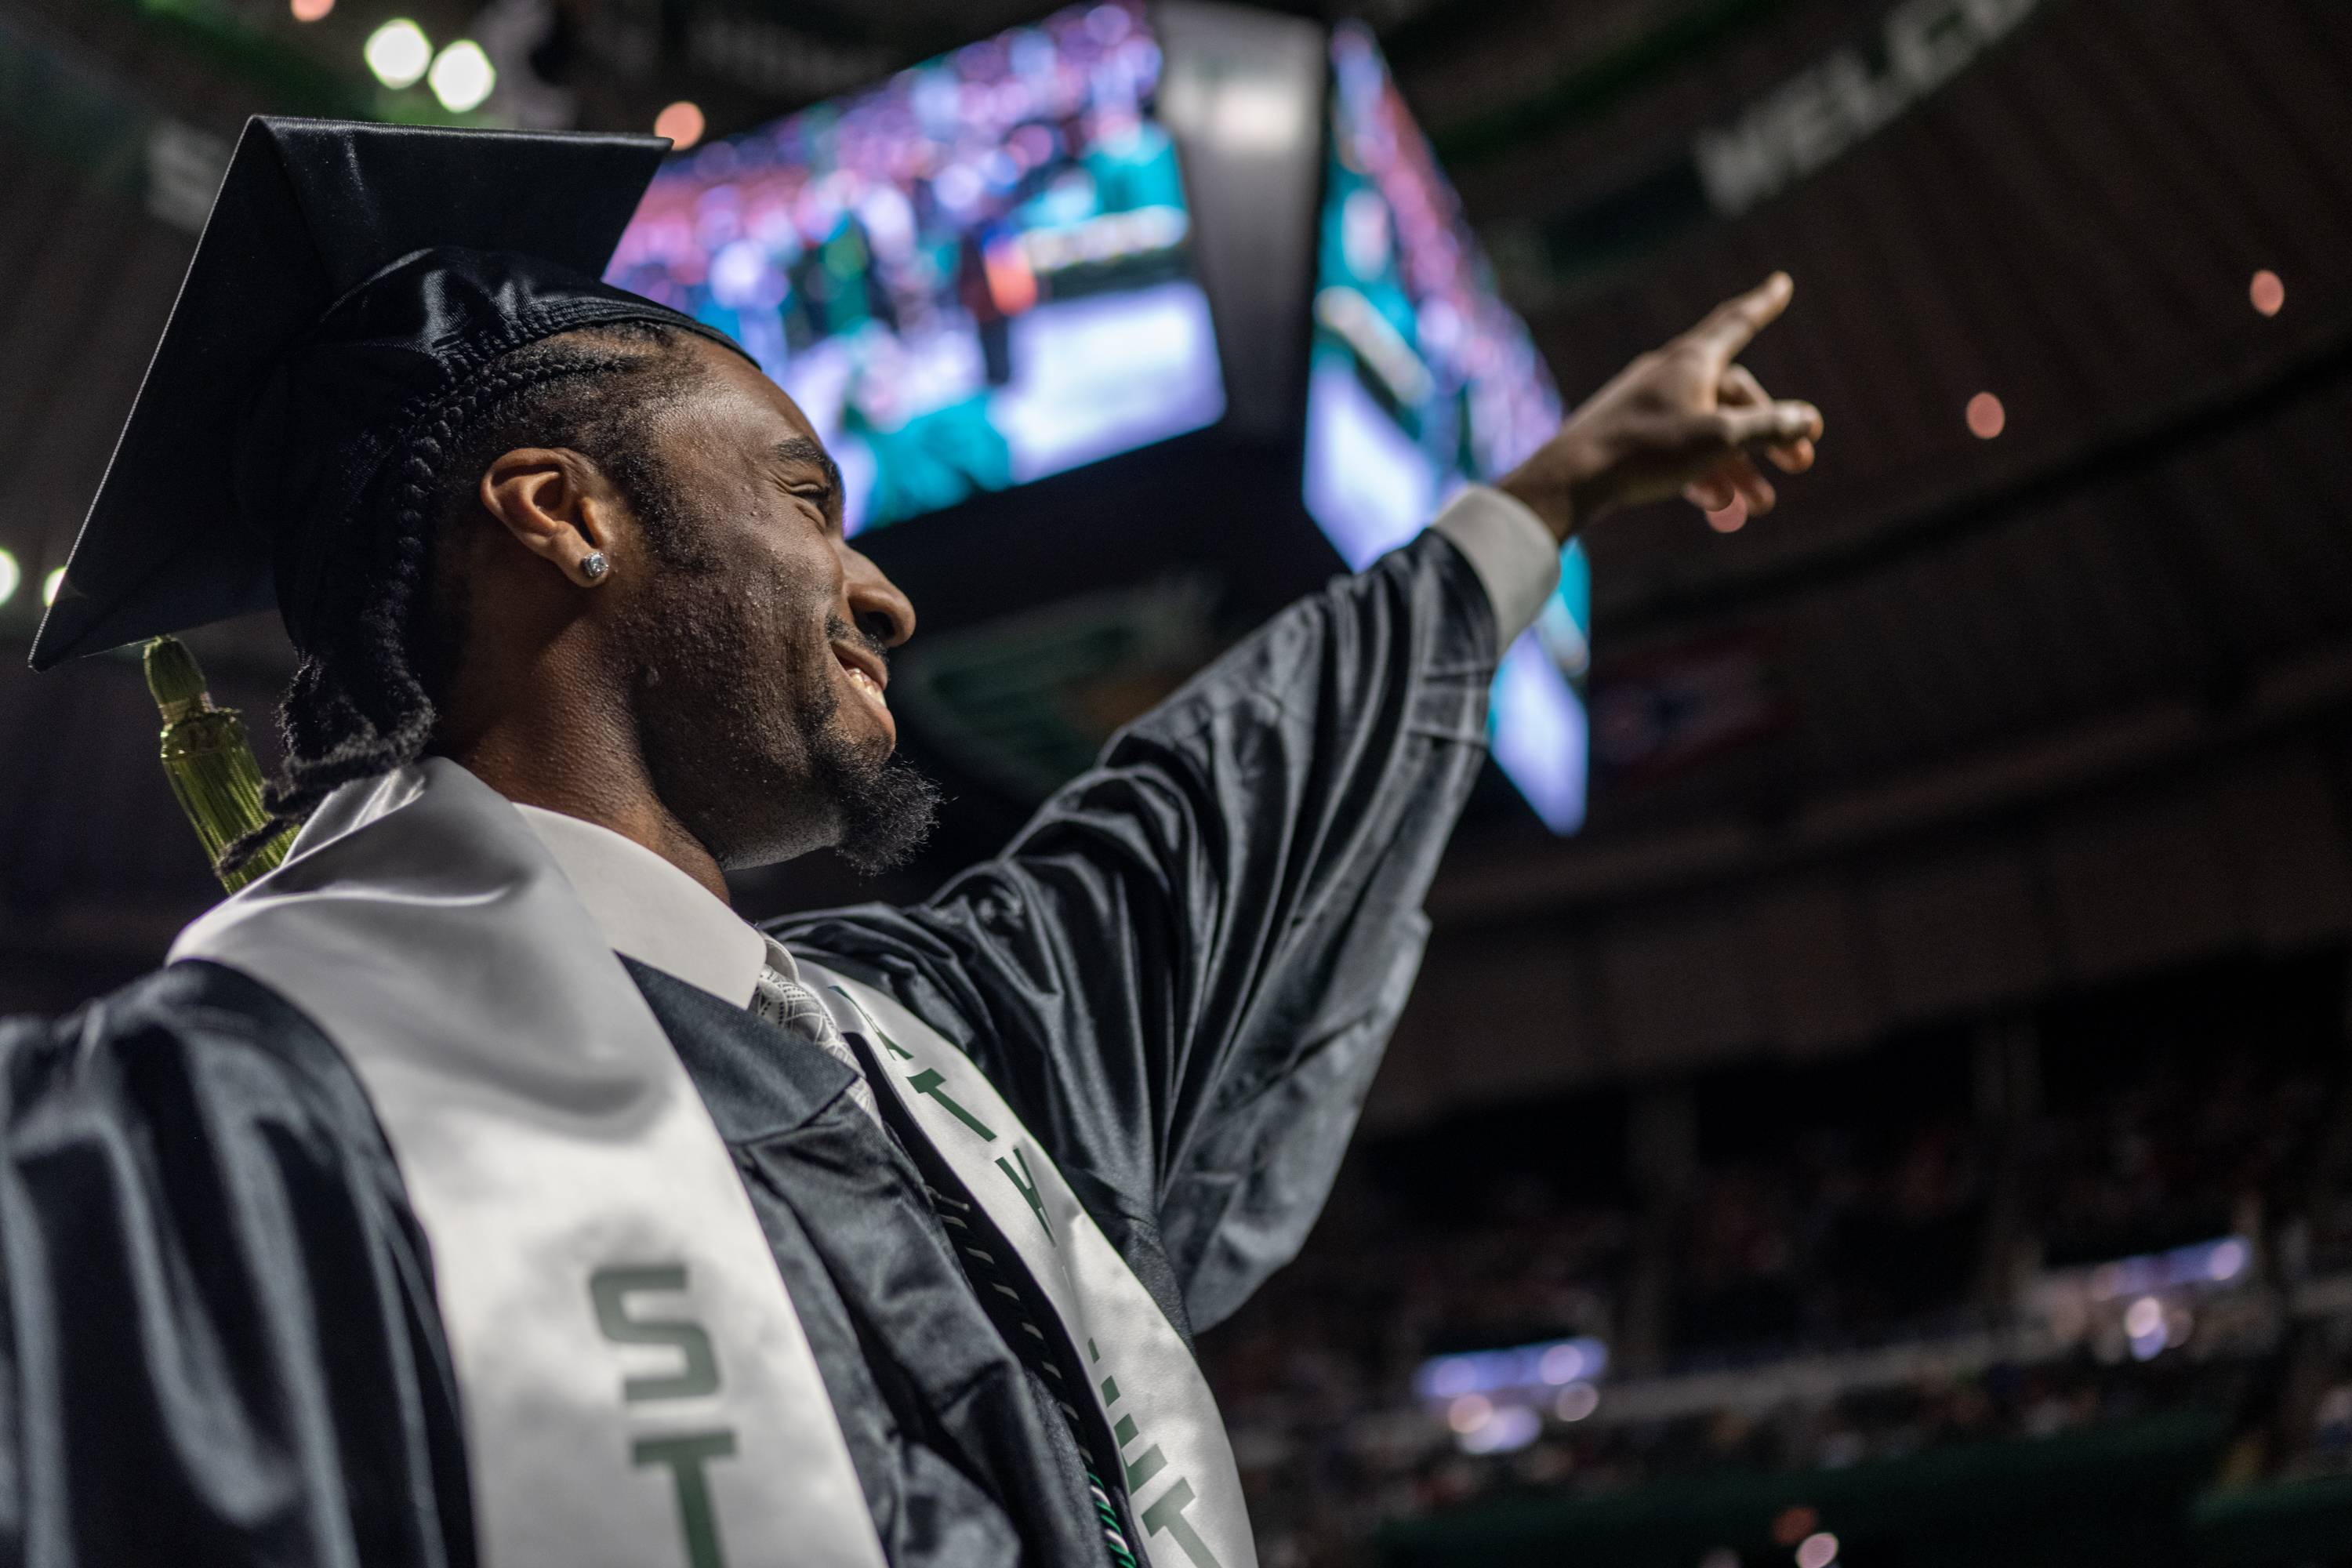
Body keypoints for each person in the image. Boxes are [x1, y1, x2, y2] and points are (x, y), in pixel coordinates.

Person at [0, 120, 1820, 1568]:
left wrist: (1552, 490)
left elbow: (1221, 795)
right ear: (563, 513)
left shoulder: (948, 1049)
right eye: (806, 498)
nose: (884, 589)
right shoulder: (212, 1143)